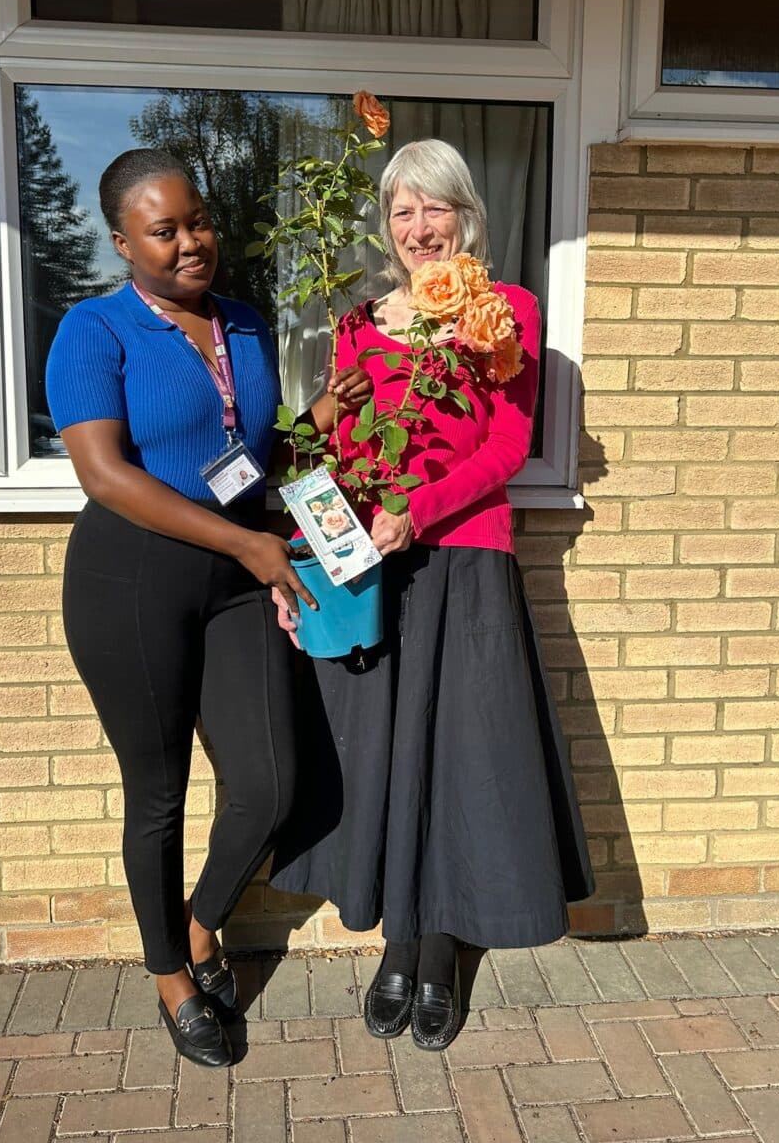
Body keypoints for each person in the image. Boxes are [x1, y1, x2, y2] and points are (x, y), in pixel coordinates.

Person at [45, 149, 369, 1068]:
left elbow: (248, 450)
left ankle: (197, 926)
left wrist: (319, 422)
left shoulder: (246, 323)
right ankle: (171, 977)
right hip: (131, 581)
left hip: (235, 576)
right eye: (165, 230)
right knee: (158, 795)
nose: (191, 242)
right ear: (122, 242)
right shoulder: (95, 330)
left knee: (270, 781)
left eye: (197, 221)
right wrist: (247, 543)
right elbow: (104, 474)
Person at [271, 139, 594, 1051]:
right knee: (382, 751)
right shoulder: (358, 319)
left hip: (464, 555)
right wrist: (322, 453)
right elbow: (323, 447)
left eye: (434, 208)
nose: (419, 228)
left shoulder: (506, 314)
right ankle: (398, 943)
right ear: (387, 224)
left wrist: (420, 508)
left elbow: (508, 448)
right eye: (402, 211)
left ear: (465, 214)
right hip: (373, 563)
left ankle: (441, 947)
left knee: (460, 754)